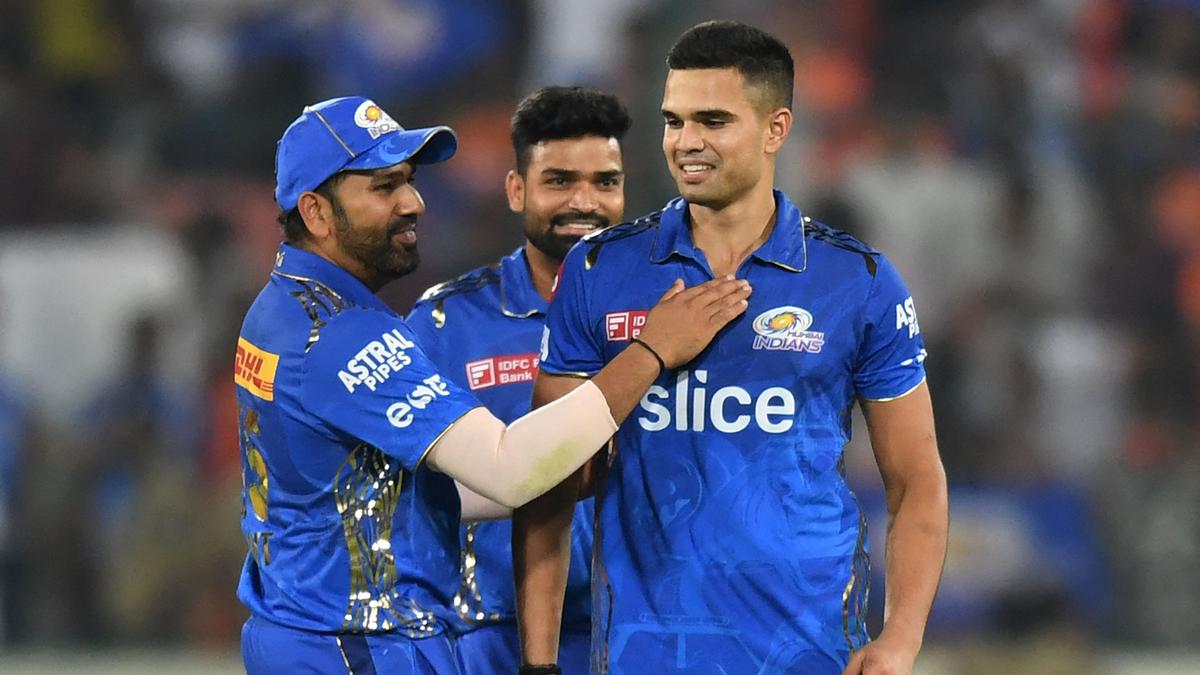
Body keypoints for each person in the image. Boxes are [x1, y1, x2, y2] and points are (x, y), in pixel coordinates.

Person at [234, 95, 750, 674]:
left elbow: (392, 487)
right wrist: (651, 351)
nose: (414, 202)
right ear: (316, 212)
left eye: (409, 181)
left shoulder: (283, 309)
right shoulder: (348, 336)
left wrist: (580, 476)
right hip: (357, 643)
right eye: (384, 187)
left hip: (319, 628)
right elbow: (508, 468)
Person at [515, 21, 949, 675]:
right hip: (646, 657)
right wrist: (540, 663)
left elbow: (916, 481)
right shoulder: (599, 270)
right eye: (674, 121)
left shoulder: (857, 280)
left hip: (810, 655)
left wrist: (901, 638)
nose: (685, 142)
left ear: (776, 129)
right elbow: (546, 481)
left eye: (712, 121)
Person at [406, 86, 631, 674]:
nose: (585, 202)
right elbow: (403, 487)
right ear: (516, 190)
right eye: (560, 181)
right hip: (488, 638)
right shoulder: (445, 324)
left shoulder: (666, 313)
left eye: (605, 182)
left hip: (641, 633)